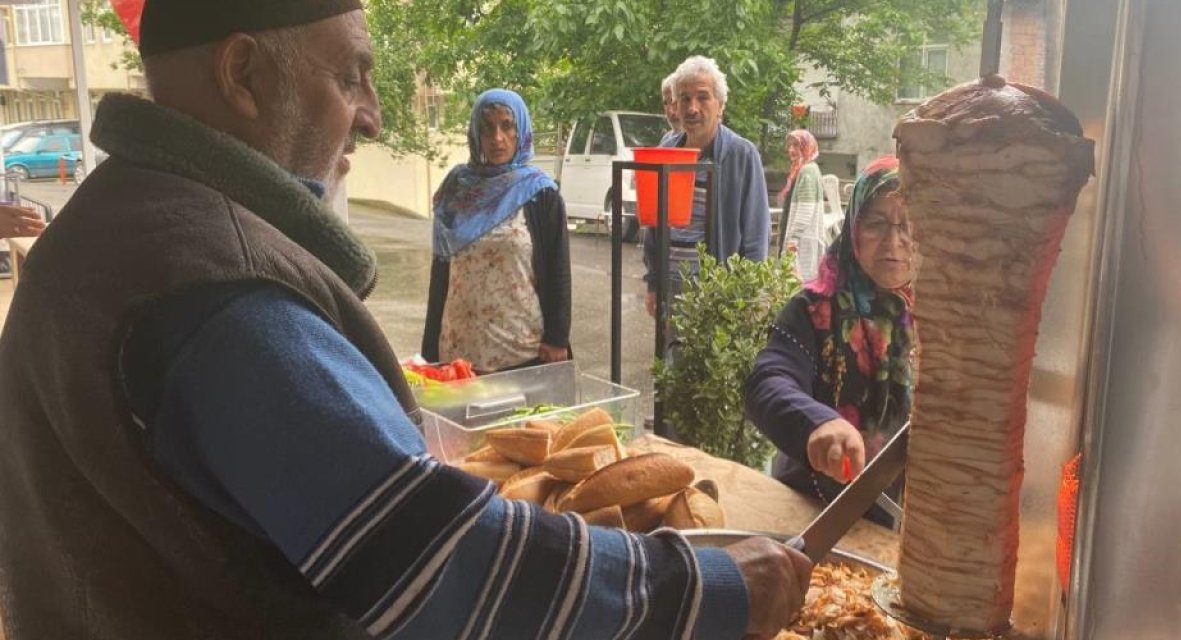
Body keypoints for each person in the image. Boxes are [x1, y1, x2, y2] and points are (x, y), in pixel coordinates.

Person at [0, 2, 810, 639]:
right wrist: (707, 587)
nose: (374, 115)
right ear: (243, 73)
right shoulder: (212, 289)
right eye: (352, 76)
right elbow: (437, 560)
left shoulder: (115, 221)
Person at [744, 157, 916, 523]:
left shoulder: (944, 316)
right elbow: (768, 380)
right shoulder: (814, 309)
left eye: (909, 225)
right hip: (814, 510)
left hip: (905, 525)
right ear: (853, 227)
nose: (894, 241)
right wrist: (819, 423)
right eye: (877, 223)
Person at [421, 89, 571, 373]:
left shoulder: (541, 193)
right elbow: (441, 271)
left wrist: (557, 337)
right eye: (487, 128)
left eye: (507, 126)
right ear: (476, 133)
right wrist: (429, 350)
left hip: (520, 348)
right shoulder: (456, 189)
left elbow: (558, 269)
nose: (497, 138)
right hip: (458, 350)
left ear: (521, 131)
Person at [644, 55, 771, 319]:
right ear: (675, 106)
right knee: (672, 358)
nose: (692, 108)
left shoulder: (741, 155)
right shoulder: (666, 151)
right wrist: (654, 283)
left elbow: (756, 234)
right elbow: (654, 227)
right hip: (673, 287)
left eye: (702, 97)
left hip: (721, 290)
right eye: (684, 98)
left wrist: (748, 297)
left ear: (720, 105)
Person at [776, 129, 825, 281]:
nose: (791, 150)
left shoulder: (807, 172)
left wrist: (793, 240)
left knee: (798, 283)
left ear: (807, 146)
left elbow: (806, 209)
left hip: (802, 241)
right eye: (790, 145)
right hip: (802, 239)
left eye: (796, 145)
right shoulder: (803, 169)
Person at [659, 71, 683, 145]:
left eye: (674, 102)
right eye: (665, 103)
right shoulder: (666, 140)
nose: (670, 111)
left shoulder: (699, 141)